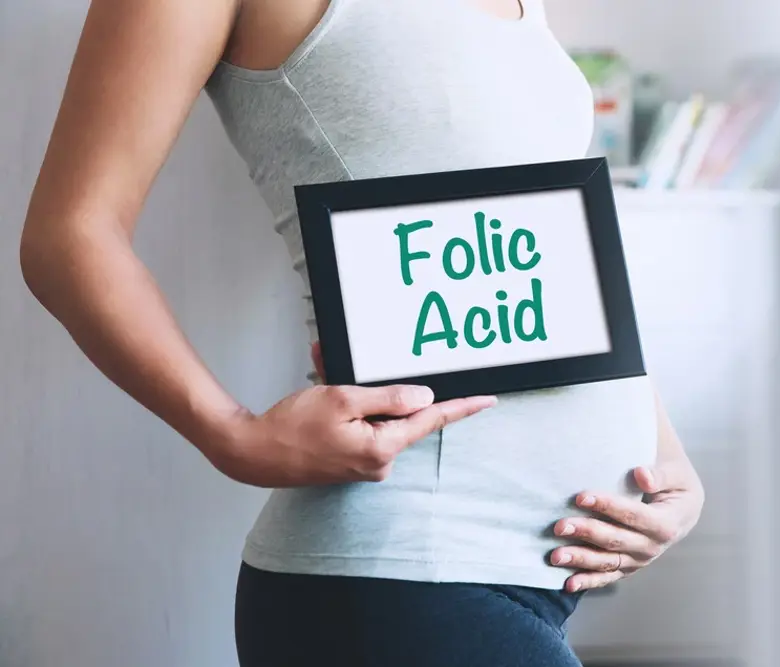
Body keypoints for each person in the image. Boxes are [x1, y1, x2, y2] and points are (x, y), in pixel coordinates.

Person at [19, 0, 705, 665]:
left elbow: (546, 258)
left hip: (528, 576)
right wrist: (233, 434)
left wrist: (667, 462)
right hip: (401, 575)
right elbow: (69, 235)